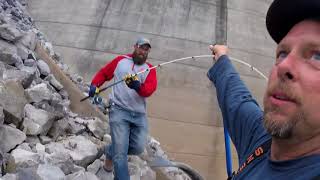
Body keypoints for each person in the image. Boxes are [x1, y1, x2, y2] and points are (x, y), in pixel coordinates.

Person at [207, 0, 320, 179]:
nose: (284, 65)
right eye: (282, 53)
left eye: (317, 56)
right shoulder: (261, 140)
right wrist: (222, 59)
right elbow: (236, 99)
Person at [88, 37, 157, 180]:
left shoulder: (150, 69)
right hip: (118, 110)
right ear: (135, 47)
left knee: (137, 148)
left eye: (146, 49)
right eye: (141, 47)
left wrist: (138, 87)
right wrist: (95, 85)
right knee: (121, 154)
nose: (143, 52)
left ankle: (110, 150)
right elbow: (104, 73)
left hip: (139, 115)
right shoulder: (121, 61)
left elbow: (149, 90)